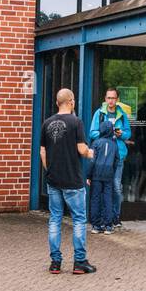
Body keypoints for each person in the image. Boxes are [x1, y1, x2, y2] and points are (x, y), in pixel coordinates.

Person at [40, 88, 95, 275]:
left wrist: (51, 170)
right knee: (79, 219)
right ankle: (79, 262)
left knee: (54, 219)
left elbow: (42, 152)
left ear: (57, 103)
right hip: (73, 180)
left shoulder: (46, 123)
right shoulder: (76, 122)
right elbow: (81, 149)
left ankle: (55, 262)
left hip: (53, 180)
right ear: (71, 102)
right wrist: (89, 153)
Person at [89, 88, 132, 231]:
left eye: (113, 98)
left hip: (118, 154)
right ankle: (103, 219)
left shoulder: (122, 114)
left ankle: (115, 217)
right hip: (103, 158)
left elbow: (128, 133)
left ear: (117, 99)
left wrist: (120, 134)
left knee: (116, 187)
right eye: (108, 98)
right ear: (105, 98)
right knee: (101, 189)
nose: (111, 101)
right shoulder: (99, 113)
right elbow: (92, 132)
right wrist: (106, 134)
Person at [88, 119, 118, 234]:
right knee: (108, 199)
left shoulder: (96, 143)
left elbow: (92, 161)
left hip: (96, 174)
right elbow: (116, 160)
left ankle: (96, 225)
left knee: (95, 199)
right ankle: (108, 226)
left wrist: (88, 175)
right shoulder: (114, 144)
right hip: (108, 174)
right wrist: (112, 171)